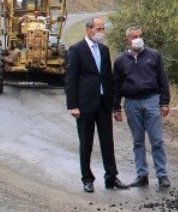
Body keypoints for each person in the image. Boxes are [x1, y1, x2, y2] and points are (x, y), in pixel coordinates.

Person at [65, 16, 127, 193]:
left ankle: (111, 176)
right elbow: (71, 79)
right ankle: (87, 178)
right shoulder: (76, 50)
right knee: (86, 142)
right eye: (98, 29)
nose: (101, 33)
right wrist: (73, 105)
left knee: (107, 141)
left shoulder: (104, 50)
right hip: (85, 104)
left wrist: (115, 104)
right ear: (89, 30)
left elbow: (108, 77)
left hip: (103, 102)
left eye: (102, 29)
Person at [112, 26, 171, 188]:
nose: (137, 38)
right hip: (131, 102)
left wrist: (164, 102)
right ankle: (142, 174)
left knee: (156, 140)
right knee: (138, 141)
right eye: (133, 36)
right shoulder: (121, 60)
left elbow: (162, 80)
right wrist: (116, 107)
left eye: (139, 35)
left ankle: (161, 174)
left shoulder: (153, 56)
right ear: (127, 40)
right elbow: (116, 86)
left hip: (152, 100)